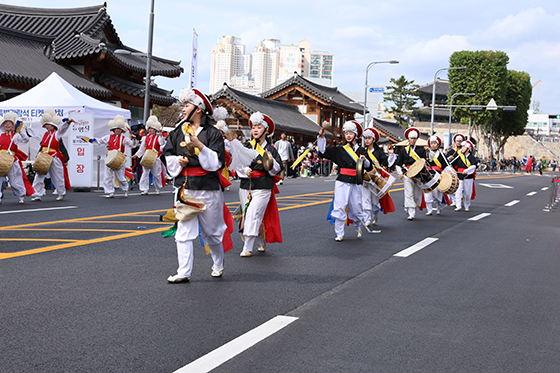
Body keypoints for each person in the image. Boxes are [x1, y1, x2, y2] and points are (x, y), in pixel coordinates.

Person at [163, 88, 230, 282]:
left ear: (198, 109)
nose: (183, 110)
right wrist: (178, 161)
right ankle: (183, 272)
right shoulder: (177, 132)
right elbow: (167, 155)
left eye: (186, 105)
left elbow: (217, 163)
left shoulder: (213, 133)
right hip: (184, 187)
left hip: (208, 188)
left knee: (212, 233)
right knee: (183, 231)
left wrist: (200, 146)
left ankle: (218, 263)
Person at [236, 112, 283, 257]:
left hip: (263, 186)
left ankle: (247, 247)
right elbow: (237, 164)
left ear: (266, 130)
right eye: (253, 127)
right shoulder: (245, 146)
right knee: (248, 214)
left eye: (259, 127)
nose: (255, 130)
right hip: (246, 185)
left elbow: (277, 169)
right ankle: (261, 237)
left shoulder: (272, 149)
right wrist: (245, 170)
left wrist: (269, 160)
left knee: (253, 213)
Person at [318, 121, 371, 241]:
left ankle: (358, 227)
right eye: (346, 133)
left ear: (355, 135)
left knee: (356, 207)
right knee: (339, 206)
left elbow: (368, 166)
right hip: (342, 180)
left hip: (356, 180)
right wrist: (321, 138)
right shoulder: (340, 149)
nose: (348, 135)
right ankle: (339, 233)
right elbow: (323, 152)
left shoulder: (362, 150)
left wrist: (364, 160)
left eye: (351, 133)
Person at [82, 115, 138, 198]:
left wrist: (134, 140)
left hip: (120, 158)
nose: (118, 130)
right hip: (110, 158)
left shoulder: (124, 139)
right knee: (108, 175)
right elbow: (100, 141)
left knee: (121, 177)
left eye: (119, 129)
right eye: (116, 129)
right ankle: (110, 192)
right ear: (114, 130)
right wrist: (89, 139)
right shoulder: (108, 137)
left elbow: (132, 145)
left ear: (122, 130)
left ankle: (125, 189)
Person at [28, 109, 72, 202]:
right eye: (46, 124)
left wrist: (67, 123)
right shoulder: (44, 135)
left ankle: (61, 192)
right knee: (39, 175)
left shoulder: (57, 134)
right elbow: (35, 134)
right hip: (44, 157)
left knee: (57, 176)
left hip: (54, 157)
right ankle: (37, 194)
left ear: (53, 125)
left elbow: (62, 129)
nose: (47, 126)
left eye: (48, 124)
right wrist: (27, 129)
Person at [0, 112, 34, 204]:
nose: (7, 125)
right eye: (5, 123)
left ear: (13, 125)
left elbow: (25, 139)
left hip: (12, 160)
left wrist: (20, 131)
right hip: (2, 160)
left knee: (14, 181)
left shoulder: (15, 136)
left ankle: (21, 195)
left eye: (9, 123)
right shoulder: (1, 136)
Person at [395, 127, 427, 220]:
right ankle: (411, 213)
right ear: (408, 139)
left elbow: (425, 162)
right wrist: (400, 173)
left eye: (414, 138)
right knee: (409, 193)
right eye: (411, 138)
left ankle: (414, 207)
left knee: (417, 194)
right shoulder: (404, 151)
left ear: (416, 139)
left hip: (418, 175)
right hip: (408, 174)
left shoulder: (421, 150)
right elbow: (398, 163)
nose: (412, 140)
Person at [361, 127, 390, 226]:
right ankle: (367, 219)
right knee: (365, 199)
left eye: (369, 138)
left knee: (374, 201)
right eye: (365, 138)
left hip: (375, 178)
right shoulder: (362, 151)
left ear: (373, 139)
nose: (367, 140)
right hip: (365, 178)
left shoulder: (379, 152)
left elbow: (385, 163)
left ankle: (375, 215)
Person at [133, 115, 166, 195]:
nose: (150, 130)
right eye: (149, 128)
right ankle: (144, 189)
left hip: (155, 157)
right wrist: (136, 155)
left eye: (152, 128)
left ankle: (158, 188)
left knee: (156, 174)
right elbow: (142, 149)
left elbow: (162, 143)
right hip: (147, 157)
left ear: (155, 130)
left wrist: (161, 136)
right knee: (145, 173)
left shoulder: (158, 138)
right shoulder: (145, 138)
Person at [451, 140, 478, 212]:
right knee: (458, 191)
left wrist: (467, 171)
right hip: (459, 176)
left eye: (463, 147)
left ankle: (467, 205)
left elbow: (473, 166)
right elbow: (452, 164)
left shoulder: (471, 157)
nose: (462, 148)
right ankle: (458, 206)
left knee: (468, 193)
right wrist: (450, 159)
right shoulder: (459, 156)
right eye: (462, 147)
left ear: (468, 149)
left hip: (468, 177)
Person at [424, 135, 447, 215]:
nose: (433, 145)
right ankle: (429, 210)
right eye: (432, 143)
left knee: (436, 195)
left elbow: (446, 166)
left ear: (438, 145)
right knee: (427, 194)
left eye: (435, 143)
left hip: (438, 176)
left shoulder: (442, 155)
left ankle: (438, 207)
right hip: (428, 176)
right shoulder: (426, 154)